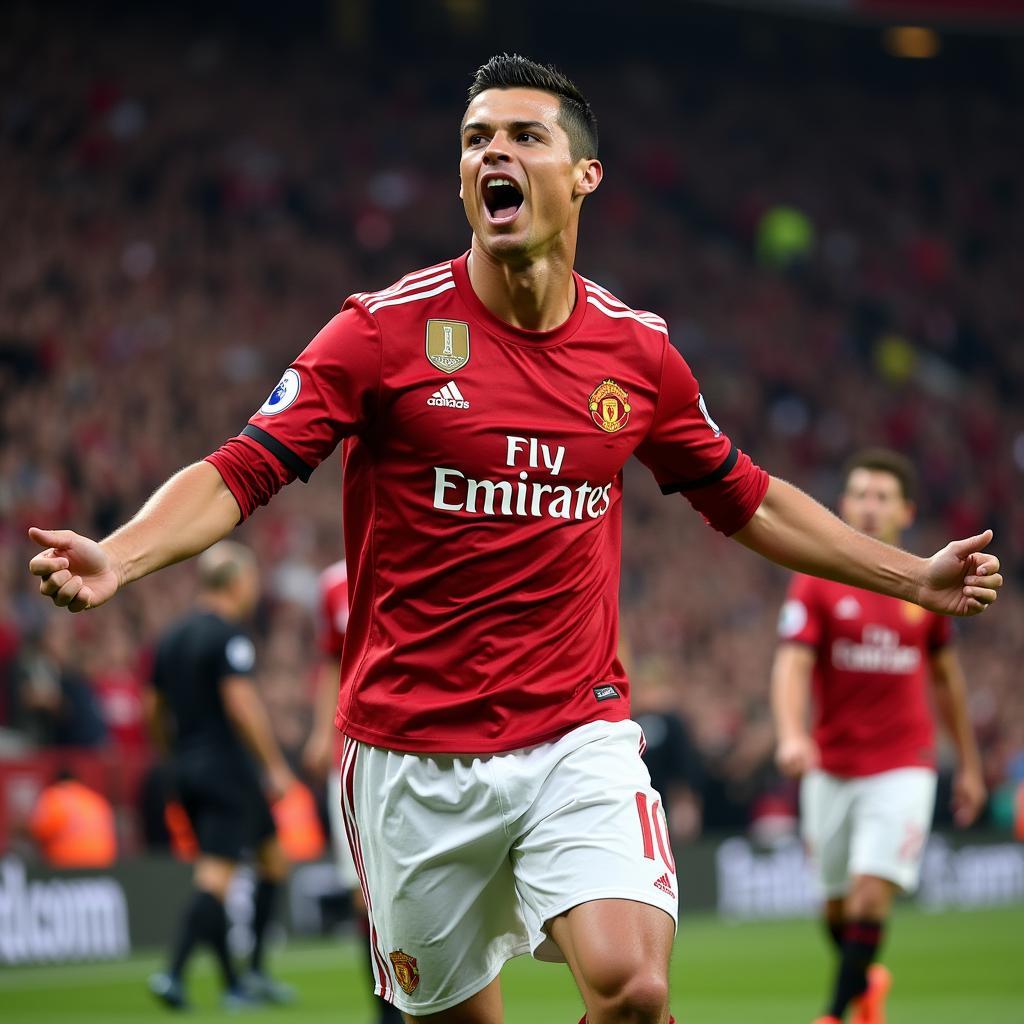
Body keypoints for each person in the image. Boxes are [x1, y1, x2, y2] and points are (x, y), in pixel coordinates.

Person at [28, 55, 1001, 1024]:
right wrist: (121, 552)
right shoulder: (380, 333)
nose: (493, 151)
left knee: (634, 990)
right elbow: (240, 468)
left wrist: (910, 576)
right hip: (411, 756)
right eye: (474, 140)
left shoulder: (636, 352)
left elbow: (750, 498)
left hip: (575, 733)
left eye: (523, 135)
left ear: (583, 175)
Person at [770, 449, 988, 1024]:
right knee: (837, 905)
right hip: (831, 764)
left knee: (870, 895)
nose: (868, 506)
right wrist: (793, 734)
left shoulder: (924, 589)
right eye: (860, 494)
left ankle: (835, 1013)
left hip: (903, 761)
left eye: (881, 496)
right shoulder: (814, 584)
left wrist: (967, 764)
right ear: (841, 505)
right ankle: (868, 982)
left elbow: (946, 681)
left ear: (906, 512)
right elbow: (791, 665)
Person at [143, 541, 297, 1011]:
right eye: (250, 581)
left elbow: (153, 708)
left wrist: (176, 755)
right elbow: (241, 704)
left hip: (188, 767)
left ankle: (247, 976)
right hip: (226, 769)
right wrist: (272, 763)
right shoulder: (228, 634)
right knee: (216, 876)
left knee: (273, 861)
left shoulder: (170, 638)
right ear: (235, 582)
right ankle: (174, 973)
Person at [302, 558, 403, 1024]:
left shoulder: (420, 548)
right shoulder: (332, 583)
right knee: (364, 891)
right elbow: (330, 661)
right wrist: (323, 733)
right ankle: (384, 1011)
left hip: (410, 749)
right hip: (351, 750)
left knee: (411, 884)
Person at [27, 767, 117, 869]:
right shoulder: (96, 799)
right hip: (102, 861)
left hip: (66, 863)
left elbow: (39, 831)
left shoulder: (55, 796)